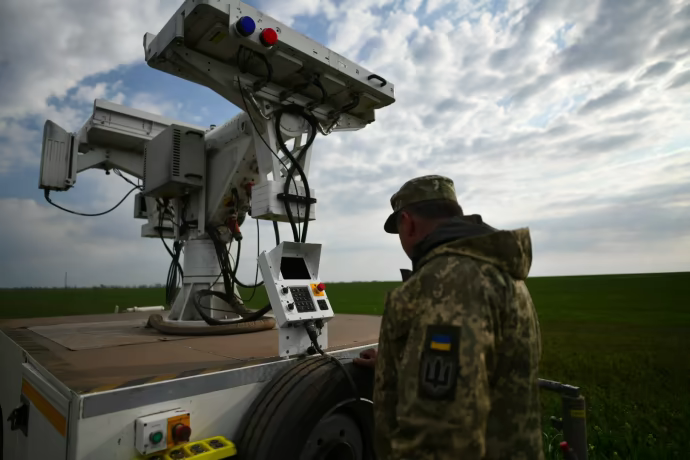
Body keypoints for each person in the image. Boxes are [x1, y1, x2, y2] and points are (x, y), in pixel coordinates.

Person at [354, 175, 544, 460]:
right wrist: (403, 362)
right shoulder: (495, 271)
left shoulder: (448, 283)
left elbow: (440, 433)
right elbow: (476, 368)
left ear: (408, 222)